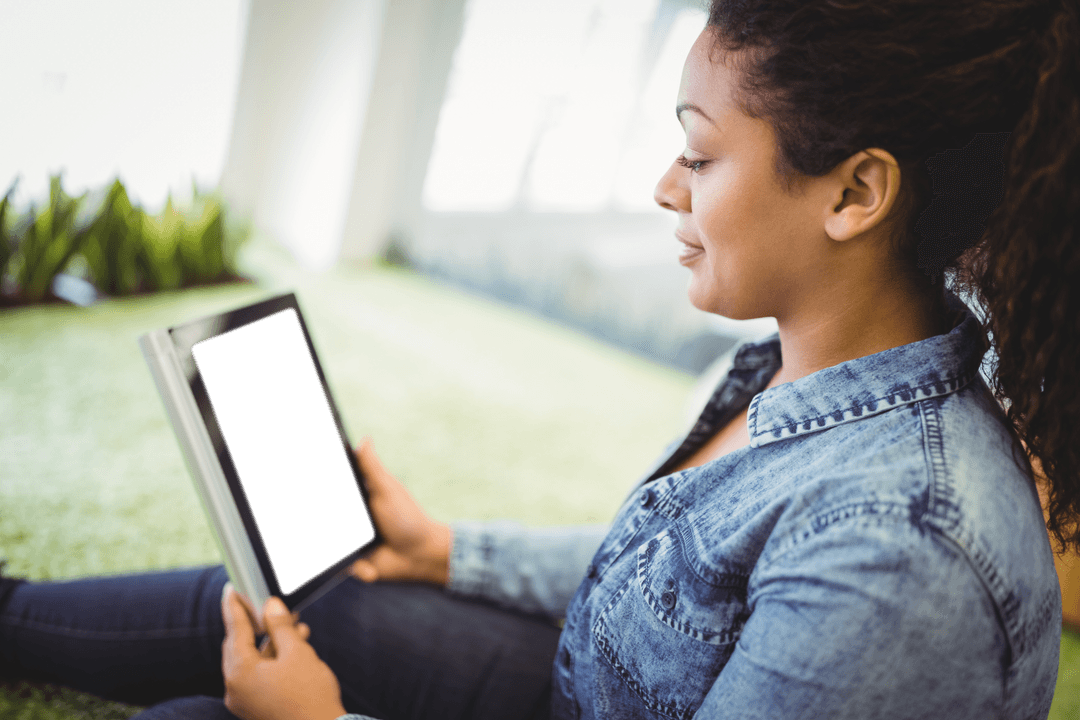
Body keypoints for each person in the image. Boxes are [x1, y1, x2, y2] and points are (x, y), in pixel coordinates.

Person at [2, 0, 1078, 717]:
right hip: (587, 683)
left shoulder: (904, 552)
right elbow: (677, 583)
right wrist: (445, 549)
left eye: (700, 154)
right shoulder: (798, 365)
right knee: (296, 600)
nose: (666, 188)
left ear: (854, 193)